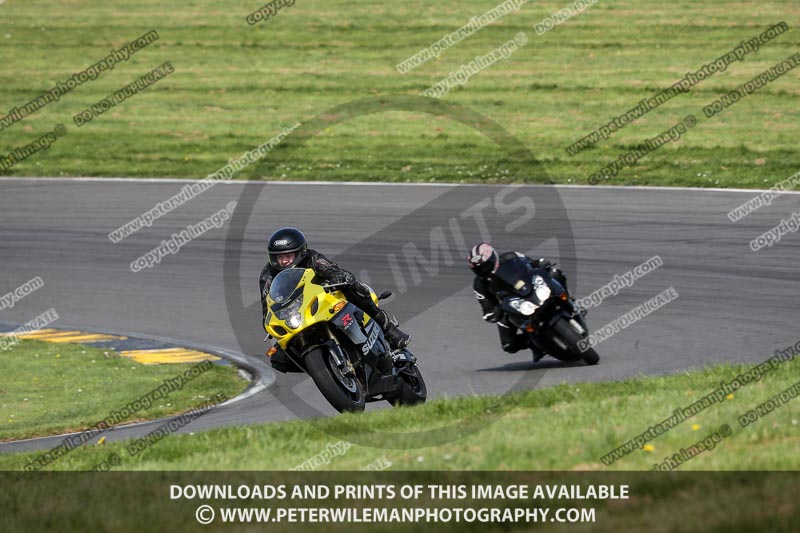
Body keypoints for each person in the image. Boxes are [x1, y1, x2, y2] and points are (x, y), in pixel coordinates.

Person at [260, 228, 411, 372]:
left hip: (325, 299)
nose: (284, 262)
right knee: (278, 358)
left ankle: (390, 331)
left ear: (300, 253)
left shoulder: (313, 258)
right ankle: (323, 369)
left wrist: (339, 276)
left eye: (288, 256)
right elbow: (267, 306)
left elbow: (331, 270)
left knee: (354, 288)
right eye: (280, 258)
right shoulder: (267, 276)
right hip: (298, 314)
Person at [467, 242, 576, 361]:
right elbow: (486, 308)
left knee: (555, 273)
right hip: (510, 306)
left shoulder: (511, 256)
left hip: (529, 289)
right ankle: (534, 344)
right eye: (478, 270)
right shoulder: (479, 284)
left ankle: (569, 300)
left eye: (484, 266)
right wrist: (493, 313)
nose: (482, 271)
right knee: (509, 345)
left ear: (493, 258)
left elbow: (529, 265)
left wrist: (539, 263)